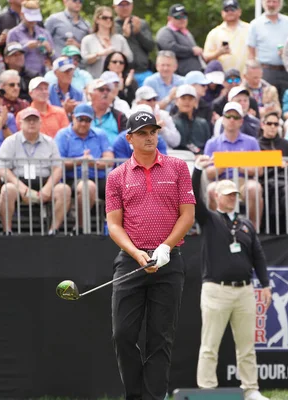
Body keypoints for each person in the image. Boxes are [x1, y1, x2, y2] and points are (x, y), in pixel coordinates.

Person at [105, 109, 195, 400]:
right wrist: (137, 253)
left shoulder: (178, 167)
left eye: (153, 132)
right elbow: (114, 225)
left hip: (169, 262)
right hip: (131, 262)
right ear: (129, 138)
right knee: (123, 335)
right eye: (142, 133)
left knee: (160, 339)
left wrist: (165, 247)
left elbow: (188, 216)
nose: (149, 137)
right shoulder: (116, 177)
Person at [191, 155, 271, 400]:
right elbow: (194, 200)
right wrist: (197, 170)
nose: (232, 198)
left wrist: (265, 285)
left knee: (247, 346)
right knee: (209, 346)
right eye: (227, 194)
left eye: (234, 194)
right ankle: (207, 391)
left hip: (245, 291)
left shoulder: (245, 224)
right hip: (217, 290)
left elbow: (257, 255)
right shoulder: (209, 220)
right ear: (217, 197)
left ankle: (251, 390)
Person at [0, 107, 71, 236]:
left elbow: (57, 168)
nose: (31, 123)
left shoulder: (50, 142)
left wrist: (48, 188)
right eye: (28, 120)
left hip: (43, 181)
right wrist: (22, 188)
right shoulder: (10, 141)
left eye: (35, 120)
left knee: (64, 190)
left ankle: (54, 230)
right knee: (7, 189)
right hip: (18, 181)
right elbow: (2, 169)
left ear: (40, 123)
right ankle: (7, 230)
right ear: (20, 123)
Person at [204, 102, 264, 230]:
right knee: (211, 189)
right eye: (228, 116)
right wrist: (224, 164)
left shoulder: (252, 142)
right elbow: (209, 173)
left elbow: (259, 170)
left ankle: (254, 230)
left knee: (254, 188)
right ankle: (218, 230)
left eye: (236, 117)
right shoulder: (212, 143)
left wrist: (240, 167)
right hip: (221, 181)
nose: (232, 120)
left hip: (244, 181)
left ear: (241, 121)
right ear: (223, 119)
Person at [55, 104, 114, 234]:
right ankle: (80, 228)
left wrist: (94, 163)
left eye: (87, 120)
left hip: (98, 175)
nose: (83, 123)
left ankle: (126, 229)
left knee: (122, 188)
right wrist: (80, 161)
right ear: (73, 118)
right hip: (71, 177)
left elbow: (109, 158)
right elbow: (58, 161)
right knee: (88, 186)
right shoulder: (62, 135)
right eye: (80, 119)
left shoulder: (100, 134)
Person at [247, 0, 288, 99]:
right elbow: (251, 52)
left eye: (275, 2)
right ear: (263, 3)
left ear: (280, 3)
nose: (271, 5)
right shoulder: (255, 24)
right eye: (268, 1)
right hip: (266, 71)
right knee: (268, 101)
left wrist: (286, 52)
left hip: (287, 70)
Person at [81, 5, 133, 79]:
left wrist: (116, 54)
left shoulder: (119, 39)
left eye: (111, 18)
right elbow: (84, 60)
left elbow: (129, 58)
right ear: (97, 19)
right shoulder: (88, 40)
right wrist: (100, 54)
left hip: (116, 81)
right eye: (104, 18)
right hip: (95, 80)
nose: (108, 20)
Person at [113, 0, 156, 87]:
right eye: (121, 5)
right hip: (123, 73)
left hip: (144, 71)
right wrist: (125, 36)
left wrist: (138, 33)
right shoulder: (112, 26)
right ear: (114, 7)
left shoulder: (141, 23)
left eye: (127, 5)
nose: (125, 8)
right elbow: (113, 51)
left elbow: (151, 47)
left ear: (132, 6)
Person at [6, 1, 55, 76]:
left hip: (43, 76)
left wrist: (49, 51)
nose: (32, 21)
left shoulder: (44, 33)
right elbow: (9, 60)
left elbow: (55, 59)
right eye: (30, 18)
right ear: (22, 14)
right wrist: (26, 48)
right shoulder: (13, 33)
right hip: (23, 77)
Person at [203, 0, 249, 73]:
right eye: (226, 10)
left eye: (233, 9)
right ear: (222, 13)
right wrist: (218, 53)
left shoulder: (250, 29)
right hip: (223, 79)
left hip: (246, 77)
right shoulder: (214, 33)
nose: (230, 12)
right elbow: (205, 58)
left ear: (239, 11)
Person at [156, 4, 203, 76]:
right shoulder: (165, 32)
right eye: (178, 17)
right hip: (178, 77)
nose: (182, 19)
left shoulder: (186, 33)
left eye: (184, 16)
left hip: (194, 75)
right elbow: (171, 48)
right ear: (169, 18)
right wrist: (192, 50)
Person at [87, 78, 128, 146]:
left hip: (115, 155)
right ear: (91, 94)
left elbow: (126, 140)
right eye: (101, 89)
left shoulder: (120, 116)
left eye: (108, 90)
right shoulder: (82, 115)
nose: (105, 92)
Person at [172, 84, 210, 154]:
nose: (187, 102)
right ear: (176, 101)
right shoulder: (172, 122)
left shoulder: (203, 123)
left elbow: (207, 145)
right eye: (183, 98)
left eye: (190, 98)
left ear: (195, 102)